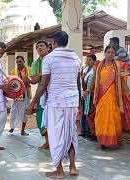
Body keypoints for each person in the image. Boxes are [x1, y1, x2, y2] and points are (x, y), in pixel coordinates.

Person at [27, 31, 81, 178]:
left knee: (55, 135)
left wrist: (32, 103)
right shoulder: (76, 58)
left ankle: (59, 171)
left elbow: (43, 84)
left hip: (56, 102)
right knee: (70, 134)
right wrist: (79, 103)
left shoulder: (49, 59)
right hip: (72, 102)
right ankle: (73, 167)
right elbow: (78, 83)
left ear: (54, 43)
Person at [91, 46, 130, 149]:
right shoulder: (98, 65)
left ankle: (112, 141)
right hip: (100, 96)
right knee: (100, 118)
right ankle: (102, 141)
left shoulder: (118, 66)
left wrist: (129, 92)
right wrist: (89, 89)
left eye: (112, 52)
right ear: (104, 53)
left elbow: (122, 82)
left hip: (113, 96)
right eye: (108, 52)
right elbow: (94, 79)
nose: (110, 54)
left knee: (113, 118)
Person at [30, 40, 49, 149]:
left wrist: (40, 76)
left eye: (42, 45)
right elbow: (33, 80)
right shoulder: (35, 63)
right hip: (41, 93)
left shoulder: (52, 59)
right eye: (37, 47)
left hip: (53, 92)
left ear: (48, 48)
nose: (40, 48)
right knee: (40, 117)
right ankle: (48, 141)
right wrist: (43, 75)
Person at [9, 55, 31, 136]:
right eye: (17, 62)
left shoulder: (29, 70)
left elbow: (31, 81)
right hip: (16, 94)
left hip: (26, 93)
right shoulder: (13, 71)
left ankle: (22, 130)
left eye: (20, 61)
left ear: (24, 61)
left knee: (25, 112)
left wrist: (28, 81)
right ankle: (12, 127)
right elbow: (11, 83)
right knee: (14, 111)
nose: (19, 63)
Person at [80, 54, 96, 138]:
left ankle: (90, 132)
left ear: (94, 61)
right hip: (85, 93)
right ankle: (84, 131)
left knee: (89, 113)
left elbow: (94, 84)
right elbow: (83, 83)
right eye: (87, 60)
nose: (88, 61)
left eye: (90, 60)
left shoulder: (94, 70)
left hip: (91, 94)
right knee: (83, 112)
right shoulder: (86, 69)